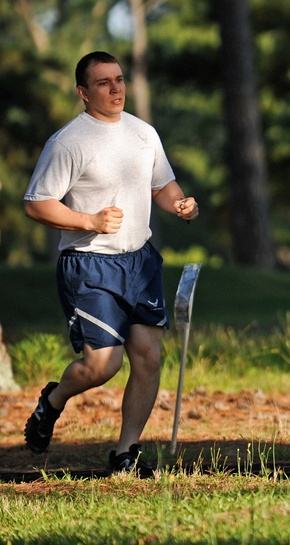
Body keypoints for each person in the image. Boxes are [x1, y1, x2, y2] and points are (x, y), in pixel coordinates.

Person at [23, 51, 199, 477]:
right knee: (103, 365)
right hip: (89, 264)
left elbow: (161, 184)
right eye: (103, 83)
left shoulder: (143, 133)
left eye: (118, 79)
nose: (116, 88)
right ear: (83, 93)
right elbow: (36, 204)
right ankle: (54, 400)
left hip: (140, 261)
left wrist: (180, 203)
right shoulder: (68, 142)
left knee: (148, 358)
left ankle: (125, 453)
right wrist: (89, 220)